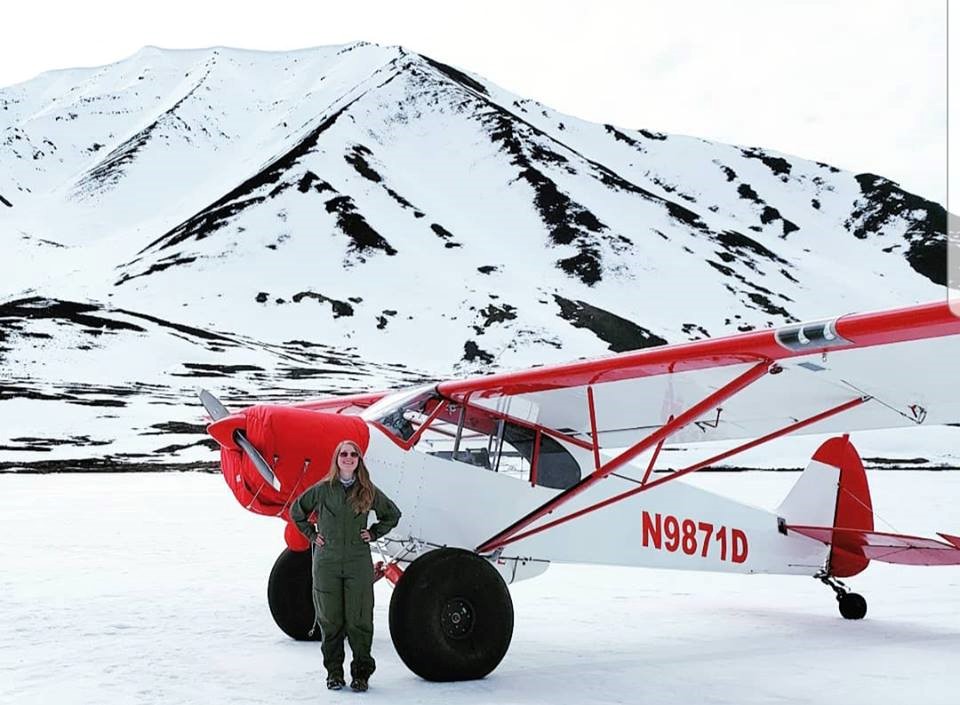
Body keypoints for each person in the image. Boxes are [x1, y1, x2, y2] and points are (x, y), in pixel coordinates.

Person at [290, 439, 402, 692]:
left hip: (357, 562)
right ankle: (334, 674)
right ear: (336, 459)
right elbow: (297, 512)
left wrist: (373, 534)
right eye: (344, 454)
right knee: (330, 620)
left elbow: (392, 514)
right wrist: (311, 534)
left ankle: (361, 674)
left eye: (353, 454)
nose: (348, 458)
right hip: (326, 562)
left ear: (359, 460)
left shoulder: (366, 489)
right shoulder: (322, 489)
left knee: (359, 620)